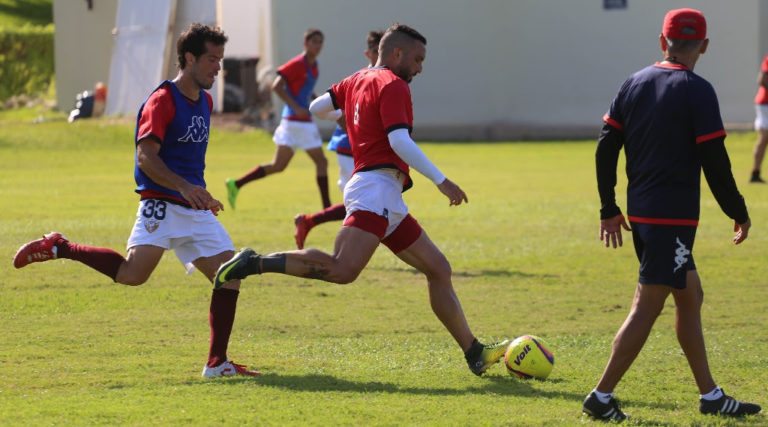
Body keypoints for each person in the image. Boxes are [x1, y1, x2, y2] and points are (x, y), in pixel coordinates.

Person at [214, 23, 509, 376]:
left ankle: (474, 352)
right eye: (417, 59)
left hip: (385, 193)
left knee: (438, 269)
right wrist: (441, 181)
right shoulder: (394, 85)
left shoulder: (356, 80)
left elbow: (317, 106)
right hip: (375, 188)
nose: (420, 68)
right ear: (396, 54)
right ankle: (254, 262)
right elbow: (399, 141)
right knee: (342, 269)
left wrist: (351, 114)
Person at [13, 23, 259, 379]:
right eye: (211, 59)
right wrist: (183, 188)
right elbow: (146, 158)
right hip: (161, 203)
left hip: (194, 208)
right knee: (132, 275)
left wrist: (198, 192)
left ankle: (216, 363)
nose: (218, 67)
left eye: (220, 60)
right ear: (188, 58)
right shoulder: (162, 100)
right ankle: (61, 247)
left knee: (229, 276)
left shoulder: (204, 101)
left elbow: (187, 160)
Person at [583, 9, 761, 421]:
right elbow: (714, 161)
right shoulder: (697, 90)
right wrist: (738, 210)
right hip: (672, 219)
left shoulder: (634, 82)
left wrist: (609, 208)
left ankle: (710, 396)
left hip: (644, 214)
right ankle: (601, 396)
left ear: (662, 42)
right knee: (648, 306)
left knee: (690, 296)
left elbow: (606, 146)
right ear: (704, 45)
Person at [294, 30, 384, 249]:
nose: (381, 55)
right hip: (350, 150)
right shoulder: (362, 78)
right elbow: (321, 108)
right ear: (368, 53)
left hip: (361, 152)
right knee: (365, 204)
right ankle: (341, 251)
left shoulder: (384, 79)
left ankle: (310, 222)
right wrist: (340, 117)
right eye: (376, 51)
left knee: (362, 203)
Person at [226, 29, 331, 210]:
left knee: (278, 166)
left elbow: (305, 89)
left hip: (295, 123)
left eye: (320, 42)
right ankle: (327, 208)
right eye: (314, 41)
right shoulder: (298, 63)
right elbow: (277, 86)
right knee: (322, 162)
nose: (318, 45)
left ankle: (236, 184)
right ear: (305, 43)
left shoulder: (314, 65)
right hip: (297, 122)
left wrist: (317, 100)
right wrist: (296, 107)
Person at [749, 53, 768, 183]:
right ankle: (755, 173)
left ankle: (755, 173)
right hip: (765, 103)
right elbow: (762, 79)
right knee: (764, 138)